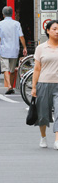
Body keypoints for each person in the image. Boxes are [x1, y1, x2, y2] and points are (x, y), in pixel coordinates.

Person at [32, 20, 58, 149]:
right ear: (48, 31)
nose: (57, 31)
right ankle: (43, 136)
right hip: (43, 84)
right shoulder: (41, 48)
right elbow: (37, 69)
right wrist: (33, 87)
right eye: (54, 29)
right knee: (43, 114)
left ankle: (57, 140)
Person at [0, 6, 27, 94]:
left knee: (5, 69)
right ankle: (11, 86)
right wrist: (24, 47)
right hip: (14, 50)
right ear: (12, 14)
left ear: (3, 14)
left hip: (4, 49)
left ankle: (9, 86)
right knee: (12, 70)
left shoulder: (0, 24)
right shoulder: (16, 24)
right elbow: (21, 36)